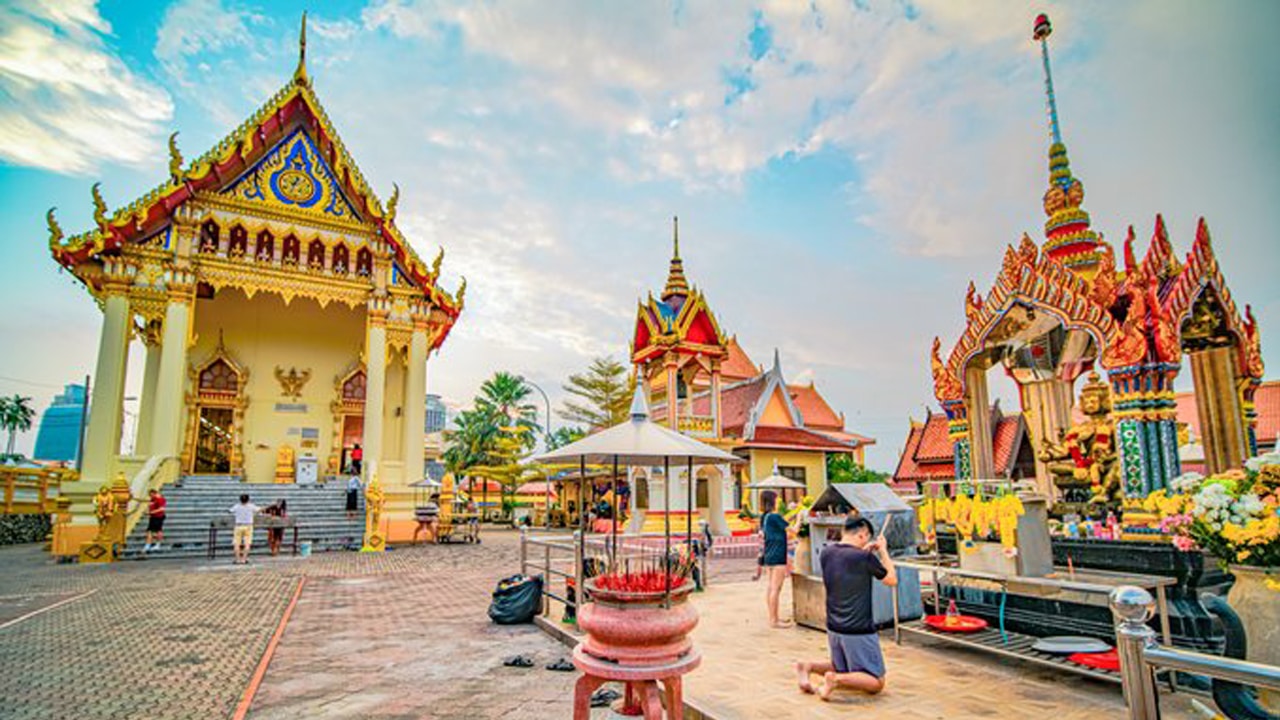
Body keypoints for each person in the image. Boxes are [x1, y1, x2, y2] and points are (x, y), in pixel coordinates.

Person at [795, 515, 898, 701]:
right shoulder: (864, 557)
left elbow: (849, 563)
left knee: (843, 666)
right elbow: (892, 579)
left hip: (834, 627)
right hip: (858, 630)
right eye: (867, 537)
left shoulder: (827, 553)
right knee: (877, 682)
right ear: (862, 535)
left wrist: (866, 555)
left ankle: (808, 666)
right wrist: (883, 551)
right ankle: (835, 681)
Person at [760, 495, 793, 628]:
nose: (780, 501)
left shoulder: (765, 517)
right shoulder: (775, 516)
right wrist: (801, 517)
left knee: (770, 587)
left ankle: (773, 617)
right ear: (773, 501)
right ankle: (774, 620)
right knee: (776, 588)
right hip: (778, 555)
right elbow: (792, 530)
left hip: (769, 554)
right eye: (778, 499)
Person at [229, 494, 261, 565]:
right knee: (247, 543)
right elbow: (259, 509)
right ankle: (244, 559)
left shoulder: (237, 506)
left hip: (238, 526)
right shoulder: (251, 506)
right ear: (248, 499)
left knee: (236, 543)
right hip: (248, 526)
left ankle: (237, 559)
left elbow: (230, 511)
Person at [143, 488, 167, 552]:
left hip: (158, 517)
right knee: (150, 531)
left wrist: (151, 512)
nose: (150, 497)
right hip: (153, 517)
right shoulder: (153, 499)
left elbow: (162, 509)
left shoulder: (160, 499)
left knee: (157, 531)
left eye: (151, 495)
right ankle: (149, 545)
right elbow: (151, 505)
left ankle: (155, 545)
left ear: (154, 493)